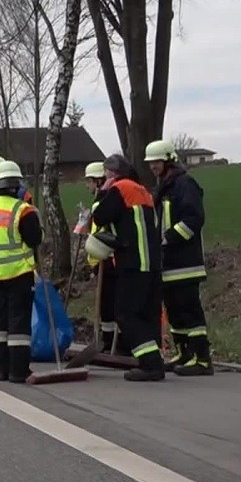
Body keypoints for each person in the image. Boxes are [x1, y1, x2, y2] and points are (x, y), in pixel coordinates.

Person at [90, 154, 165, 382]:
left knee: (126, 313)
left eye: (106, 174)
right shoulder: (143, 191)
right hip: (152, 264)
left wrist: (103, 191)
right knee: (147, 314)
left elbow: (100, 215)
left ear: (112, 173)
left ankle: (150, 363)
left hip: (133, 262)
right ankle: (154, 360)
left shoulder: (119, 189)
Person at [145, 139, 212, 376]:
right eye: (151, 163)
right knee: (174, 311)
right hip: (168, 262)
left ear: (168, 160)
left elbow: (194, 218)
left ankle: (202, 359)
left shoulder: (184, 184)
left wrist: (170, 237)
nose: (153, 167)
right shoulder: (164, 187)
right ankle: (185, 354)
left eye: (156, 162)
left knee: (189, 309)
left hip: (186, 262)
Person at [0, 160, 42, 383]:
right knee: (18, 324)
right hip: (18, 272)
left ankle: (2, 370)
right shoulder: (22, 210)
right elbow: (35, 239)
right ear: (16, 185)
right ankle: (19, 371)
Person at [83, 161, 125, 355]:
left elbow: (102, 221)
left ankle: (116, 342)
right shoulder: (100, 198)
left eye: (89, 181)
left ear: (98, 180)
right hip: (100, 258)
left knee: (112, 302)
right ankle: (108, 340)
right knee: (106, 305)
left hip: (108, 259)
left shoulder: (106, 197)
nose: (87, 186)